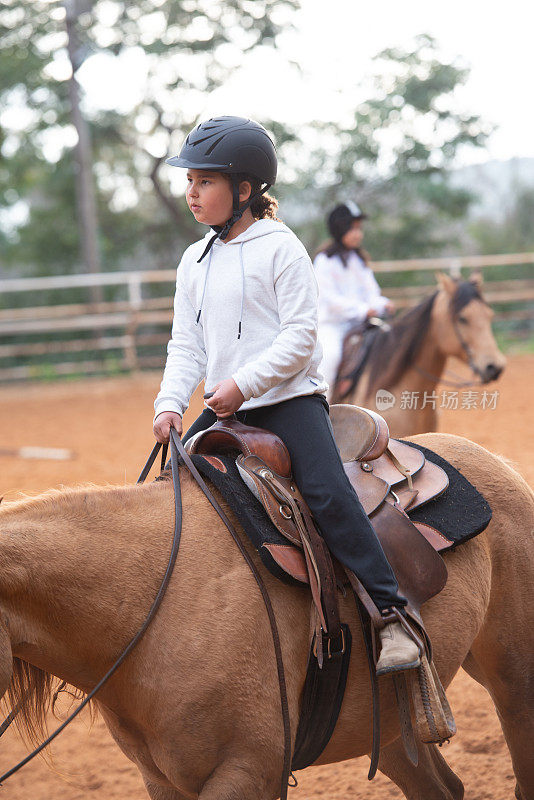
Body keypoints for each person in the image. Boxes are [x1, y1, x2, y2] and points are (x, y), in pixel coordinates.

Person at [152, 116, 419, 675]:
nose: (191, 193)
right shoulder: (193, 261)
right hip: (224, 405)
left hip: (288, 402)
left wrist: (244, 383)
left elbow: (300, 338)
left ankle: (394, 616)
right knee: (167, 490)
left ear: (244, 190)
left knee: (326, 493)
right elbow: (188, 344)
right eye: (190, 181)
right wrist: (171, 404)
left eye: (205, 181)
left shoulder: (283, 248)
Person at [314, 203, 394, 401]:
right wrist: (363, 310)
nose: (358, 234)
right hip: (333, 325)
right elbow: (330, 300)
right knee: (329, 358)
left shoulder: (359, 260)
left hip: (360, 323)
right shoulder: (325, 261)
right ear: (340, 229)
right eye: (353, 228)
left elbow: (372, 292)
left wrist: (382, 303)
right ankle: (324, 406)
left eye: (359, 228)